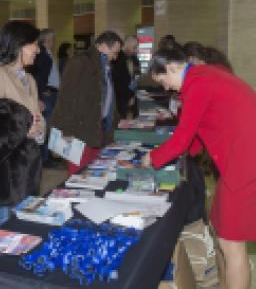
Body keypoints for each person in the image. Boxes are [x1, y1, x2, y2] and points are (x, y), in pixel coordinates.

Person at [141, 48, 256, 289]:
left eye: (164, 80)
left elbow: (183, 137)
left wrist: (153, 158)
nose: (166, 88)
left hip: (245, 162)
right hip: (238, 159)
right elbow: (198, 133)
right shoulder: (203, 77)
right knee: (218, 225)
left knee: (231, 244)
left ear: (172, 67)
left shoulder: (198, 83)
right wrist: (180, 156)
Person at [0, 21, 44, 227]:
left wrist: (38, 129)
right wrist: (23, 129)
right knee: (5, 227)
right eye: (34, 44)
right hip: (7, 169)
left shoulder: (30, 79)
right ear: (19, 45)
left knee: (23, 222)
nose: (37, 50)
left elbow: (36, 116)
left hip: (29, 165)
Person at [51, 31, 122, 175]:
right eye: (114, 53)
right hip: (79, 131)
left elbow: (108, 98)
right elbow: (66, 97)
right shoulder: (80, 62)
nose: (115, 57)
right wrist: (67, 130)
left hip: (97, 127)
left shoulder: (104, 67)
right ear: (102, 46)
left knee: (94, 172)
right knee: (78, 174)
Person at [28, 28, 60, 168]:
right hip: (46, 96)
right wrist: (40, 94)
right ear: (47, 40)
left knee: (49, 126)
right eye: (53, 39)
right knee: (45, 127)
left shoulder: (47, 54)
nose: (54, 42)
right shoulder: (42, 55)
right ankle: (45, 158)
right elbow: (39, 77)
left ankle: (48, 156)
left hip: (51, 94)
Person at [112, 34, 140, 119]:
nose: (136, 50)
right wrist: (127, 97)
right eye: (134, 47)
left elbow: (137, 76)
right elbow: (116, 81)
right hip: (119, 99)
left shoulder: (135, 59)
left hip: (132, 97)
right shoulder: (116, 58)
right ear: (126, 44)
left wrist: (133, 95)